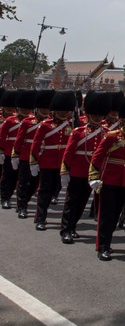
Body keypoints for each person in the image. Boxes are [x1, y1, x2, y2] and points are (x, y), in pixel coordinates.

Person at [89, 94, 125, 261]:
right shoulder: (112, 136)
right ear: (124, 118)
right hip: (109, 179)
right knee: (106, 214)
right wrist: (93, 176)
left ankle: (107, 242)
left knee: (115, 216)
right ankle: (103, 246)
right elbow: (97, 157)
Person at [59, 91, 109, 244]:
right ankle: (66, 230)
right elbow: (68, 153)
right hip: (76, 171)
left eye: (100, 115)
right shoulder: (78, 132)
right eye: (95, 114)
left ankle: (73, 227)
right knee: (72, 201)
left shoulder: (105, 133)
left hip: (92, 174)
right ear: (88, 114)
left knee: (82, 202)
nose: (98, 118)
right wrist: (65, 171)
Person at [30, 90, 76, 230]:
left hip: (62, 164)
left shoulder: (70, 125)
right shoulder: (45, 125)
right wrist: (33, 161)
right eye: (60, 111)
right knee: (45, 191)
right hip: (47, 162)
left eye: (65, 111)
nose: (63, 113)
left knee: (57, 189)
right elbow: (36, 144)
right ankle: (40, 218)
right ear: (54, 110)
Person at [13, 89, 49, 218]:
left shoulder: (50, 124)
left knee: (35, 183)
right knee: (23, 182)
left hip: (42, 158)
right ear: (37, 109)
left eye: (47, 109)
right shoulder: (27, 122)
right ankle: (22, 206)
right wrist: (15, 154)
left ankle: (25, 201)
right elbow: (19, 140)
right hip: (26, 156)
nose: (45, 111)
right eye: (42, 109)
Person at [0, 90, 22, 209]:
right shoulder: (9, 121)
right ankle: (5, 198)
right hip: (8, 151)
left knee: (16, 177)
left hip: (20, 152)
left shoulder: (22, 119)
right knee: (7, 176)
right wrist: (1, 151)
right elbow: (2, 137)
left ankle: (14, 197)